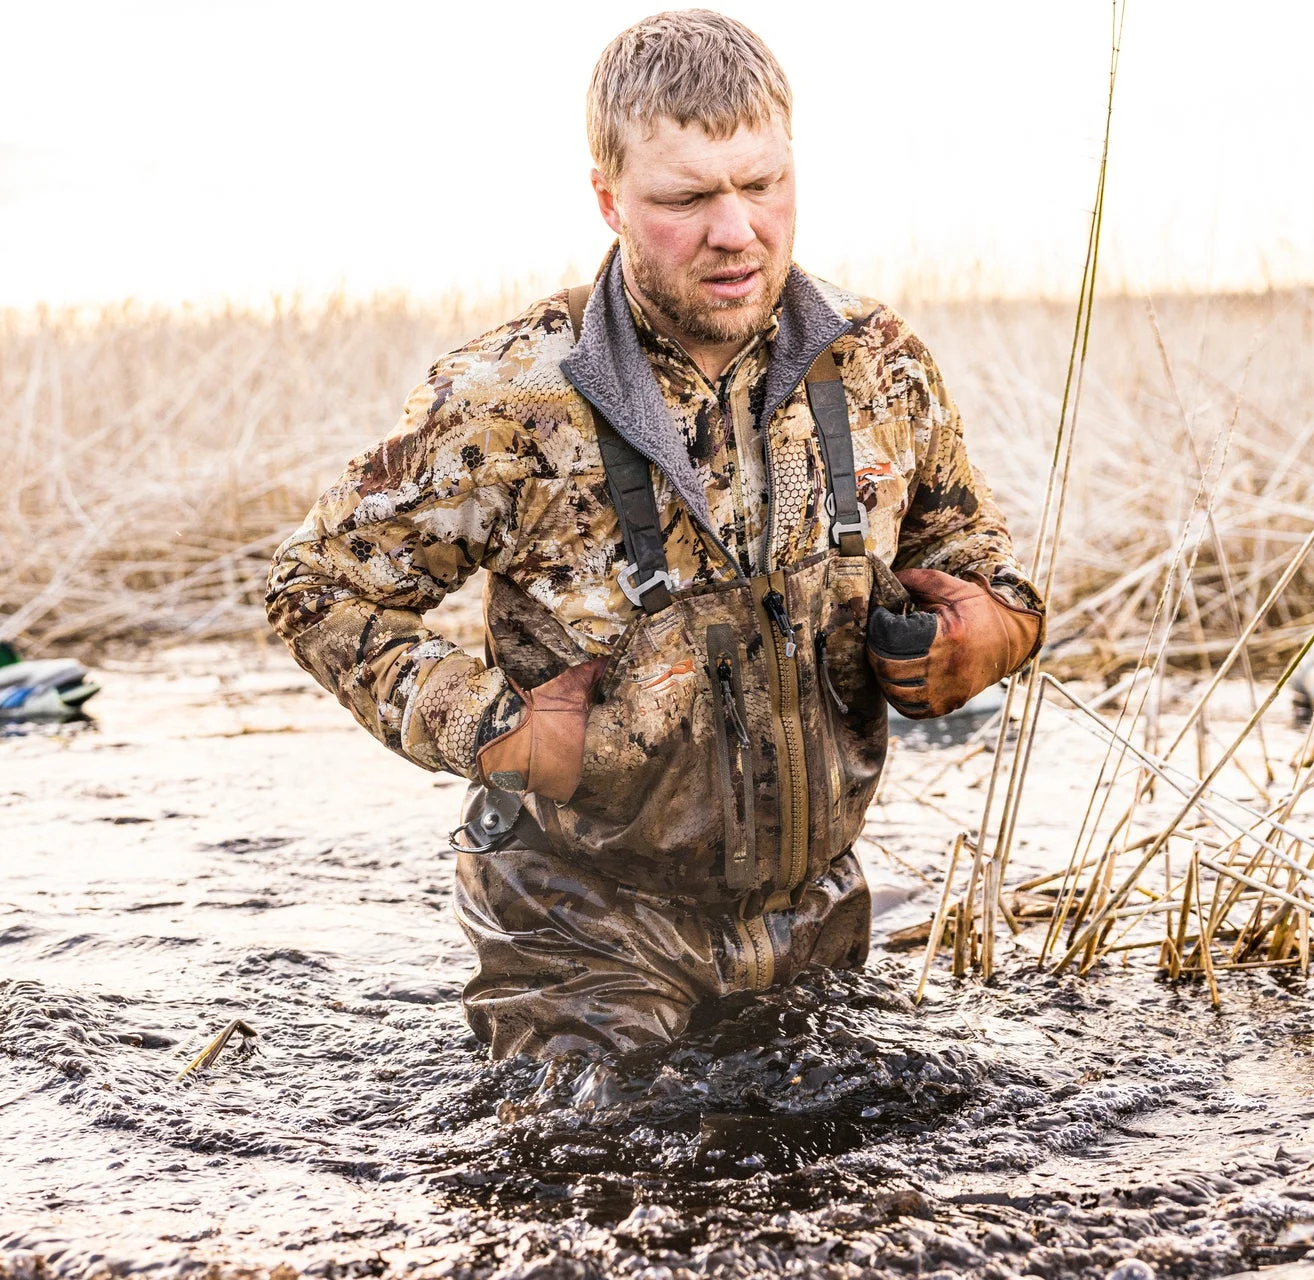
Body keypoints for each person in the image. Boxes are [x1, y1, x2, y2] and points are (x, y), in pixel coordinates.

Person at [265, 10, 1043, 1060]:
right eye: (686, 199)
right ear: (609, 199)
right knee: (607, 1186)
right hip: (582, 929)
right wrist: (494, 728)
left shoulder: (877, 363)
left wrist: (993, 625)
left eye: (763, 184)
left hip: (812, 916)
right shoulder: (509, 399)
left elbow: (963, 545)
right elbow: (317, 589)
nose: (738, 231)